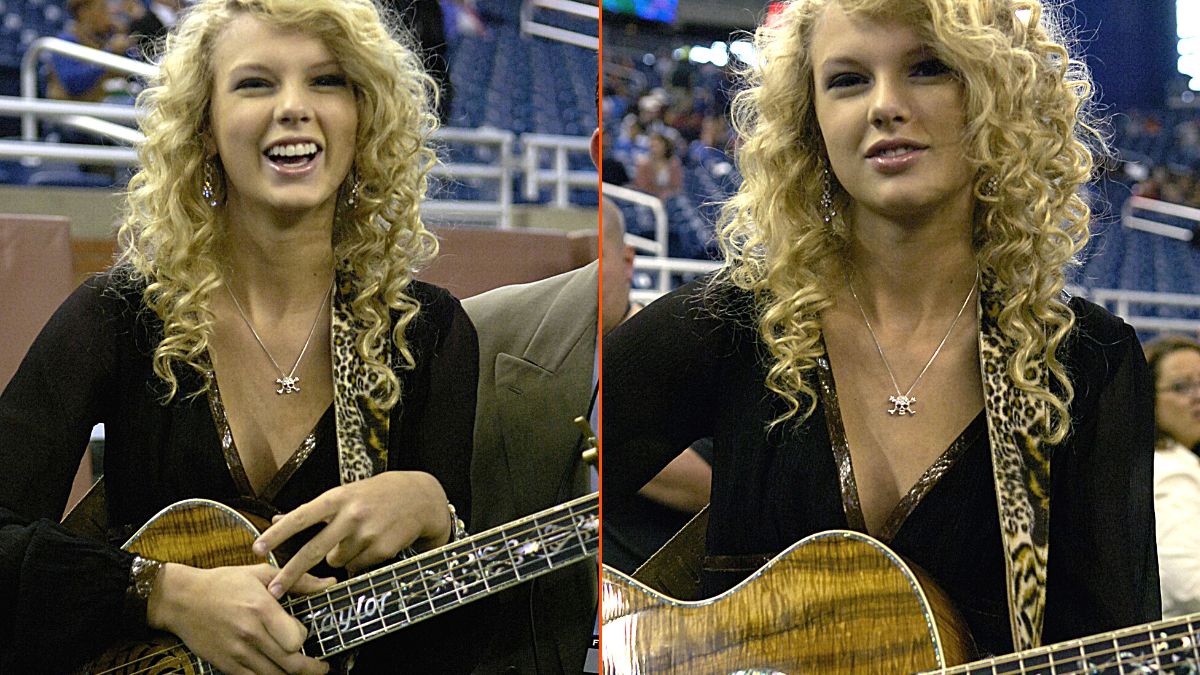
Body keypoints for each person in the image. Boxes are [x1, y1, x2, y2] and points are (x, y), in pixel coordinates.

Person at [602, 0, 1158, 663]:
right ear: (811, 122)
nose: (884, 105)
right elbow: (536, 488)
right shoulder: (729, 322)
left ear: (1000, 97)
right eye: (847, 80)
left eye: (928, 68)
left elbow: (1114, 646)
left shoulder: (1089, 363)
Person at [0, 1, 487, 672]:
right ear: (204, 127)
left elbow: (459, 632)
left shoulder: (428, 335)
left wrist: (438, 513)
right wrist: (162, 592)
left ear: (364, 118)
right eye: (256, 83)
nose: (294, 106)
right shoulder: (115, 316)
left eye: (327, 81)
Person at [1145, 336, 1200, 618]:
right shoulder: (1171, 470)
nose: (1198, 397)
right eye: (1182, 387)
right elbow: (1188, 585)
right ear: (1148, 399)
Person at [47, 0, 134, 103]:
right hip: (75, 111)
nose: (109, 13)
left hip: (109, 105)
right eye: (102, 8)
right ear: (84, 12)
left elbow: (136, 72)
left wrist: (125, 41)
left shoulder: (107, 36)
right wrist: (110, 52)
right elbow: (73, 84)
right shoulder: (66, 41)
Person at [632, 132, 683, 200]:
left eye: (657, 146)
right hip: (649, 199)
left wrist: (667, 194)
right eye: (652, 146)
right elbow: (642, 187)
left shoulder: (674, 163)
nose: (654, 149)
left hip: (670, 199)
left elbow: (677, 185)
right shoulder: (643, 164)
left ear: (665, 147)